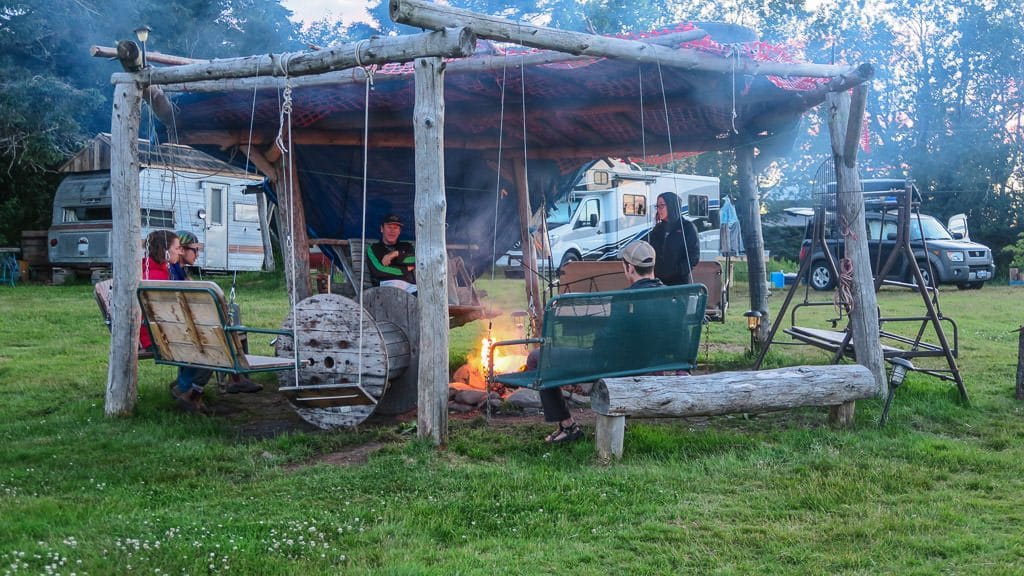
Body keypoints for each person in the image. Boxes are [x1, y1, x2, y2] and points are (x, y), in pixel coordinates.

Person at [532, 240, 664, 444]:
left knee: (538, 358)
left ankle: (568, 425)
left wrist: (594, 339)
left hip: (609, 365)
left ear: (628, 267)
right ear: (652, 266)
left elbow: (603, 344)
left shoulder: (627, 300)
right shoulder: (673, 296)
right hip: (650, 364)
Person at [171, 230, 262, 396]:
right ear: (182, 250)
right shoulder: (174, 272)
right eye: (195, 249)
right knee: (220, 337)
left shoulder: (178, 271)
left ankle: (236, 378)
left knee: (227, 330)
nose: (197, 254)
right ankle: (186, 387)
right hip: (180, 327)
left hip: (180, 324)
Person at [139, 229, 181, 351]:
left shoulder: (150, 270)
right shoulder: (156, 277)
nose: (180, 252)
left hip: (153, 333)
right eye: (177, 248)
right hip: (155, 337)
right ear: (165, 251)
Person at [648, 191, 700, 285]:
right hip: (658, 282)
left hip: (679, 283)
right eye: (657, 206)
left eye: (661, 205)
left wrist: (678, 271)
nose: (659, 209)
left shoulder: (687, 228)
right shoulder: (657, 229)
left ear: (672, 206)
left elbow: (693, 256)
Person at [366, 214, 417, 292]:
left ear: (399, 231)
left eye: (396, 228)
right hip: (386, 286)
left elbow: (416, 260)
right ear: (382, 229)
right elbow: (379, 270)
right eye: (389, 227)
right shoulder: (373, 248)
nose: (392, 231)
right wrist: (406, 269)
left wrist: (394, 254)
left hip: (411, 287)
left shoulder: (407, 246)